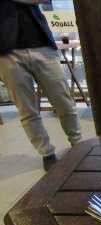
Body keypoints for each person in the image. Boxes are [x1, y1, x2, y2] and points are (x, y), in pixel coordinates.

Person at [0, 0, 81, 171]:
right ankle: (47, 153)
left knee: (64, 101)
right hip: (6, 50)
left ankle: (78, 144)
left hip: (42, 43)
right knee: (27, 110)